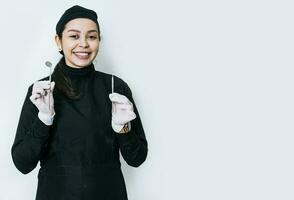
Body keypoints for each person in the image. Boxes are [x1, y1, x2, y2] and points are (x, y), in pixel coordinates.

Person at [11, 5, 148, 200]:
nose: (83, 43)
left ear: (99, 41)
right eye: (74, 36)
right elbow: (22, 163)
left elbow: (137, 158)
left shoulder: (116, 87)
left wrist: (122, 129)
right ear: (58, 41)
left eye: (91, 37)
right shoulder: (41, 92)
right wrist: (43, 119)